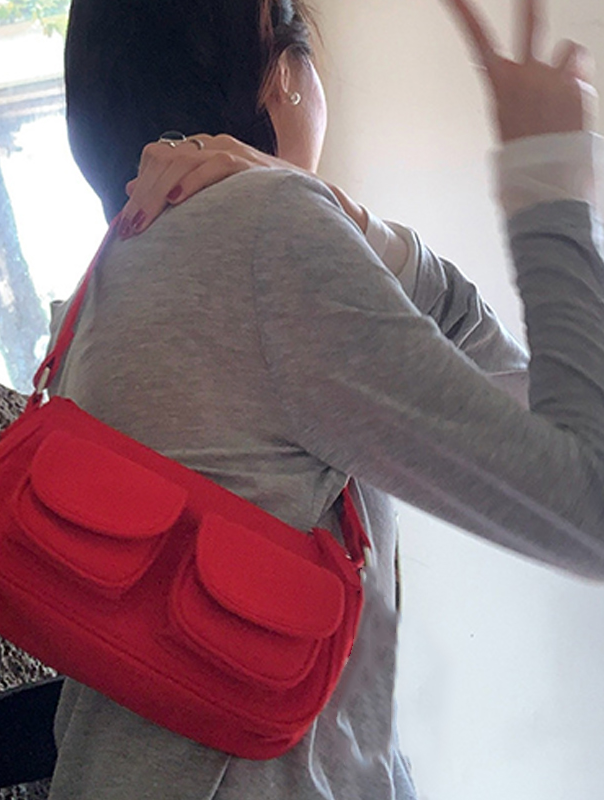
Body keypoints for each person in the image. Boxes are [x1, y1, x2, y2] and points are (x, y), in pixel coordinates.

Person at [47, 1, 604, 798]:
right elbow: (588, 500)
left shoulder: (122, 260)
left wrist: (345, 217)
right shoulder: (267, 236)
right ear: (278, 75)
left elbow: (521, 395)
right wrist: (548, 180)